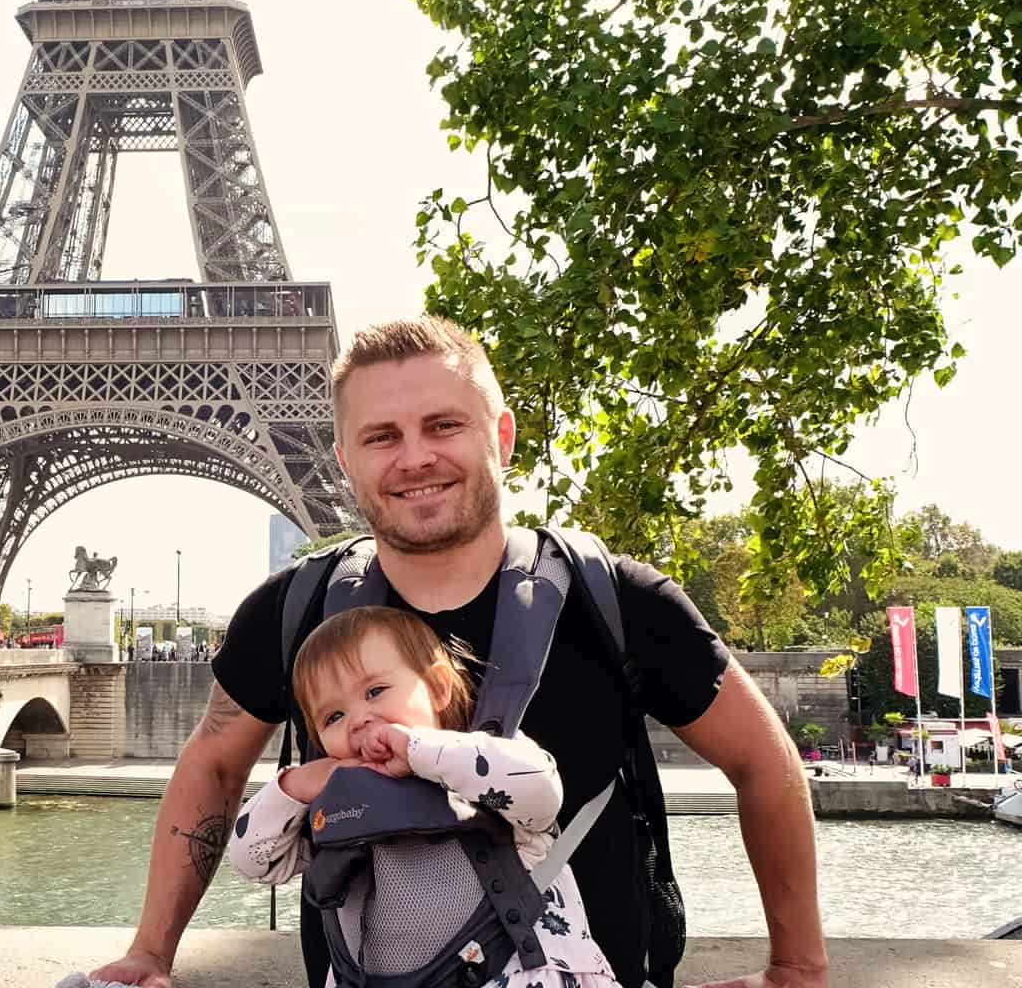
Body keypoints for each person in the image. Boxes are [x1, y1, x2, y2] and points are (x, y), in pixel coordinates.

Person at [92, 317, 828, 988]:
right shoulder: (289, 613)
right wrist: (150, 953)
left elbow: (764, 761)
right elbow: (216, 762)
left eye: (443, 425)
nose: (415, 457)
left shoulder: (620, 600)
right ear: (345, 459)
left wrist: (797, 966)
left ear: (501, 437)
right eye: (382, 436)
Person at [228, 606, 618, 987]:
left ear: (437, 687)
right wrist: (299, 785)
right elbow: (253, 861)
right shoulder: (338, 806)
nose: (358, 720)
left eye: (376, 691)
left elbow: (543, 793)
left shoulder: (479, 760)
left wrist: (418, 750)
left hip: (520, 967)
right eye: (333, 717)